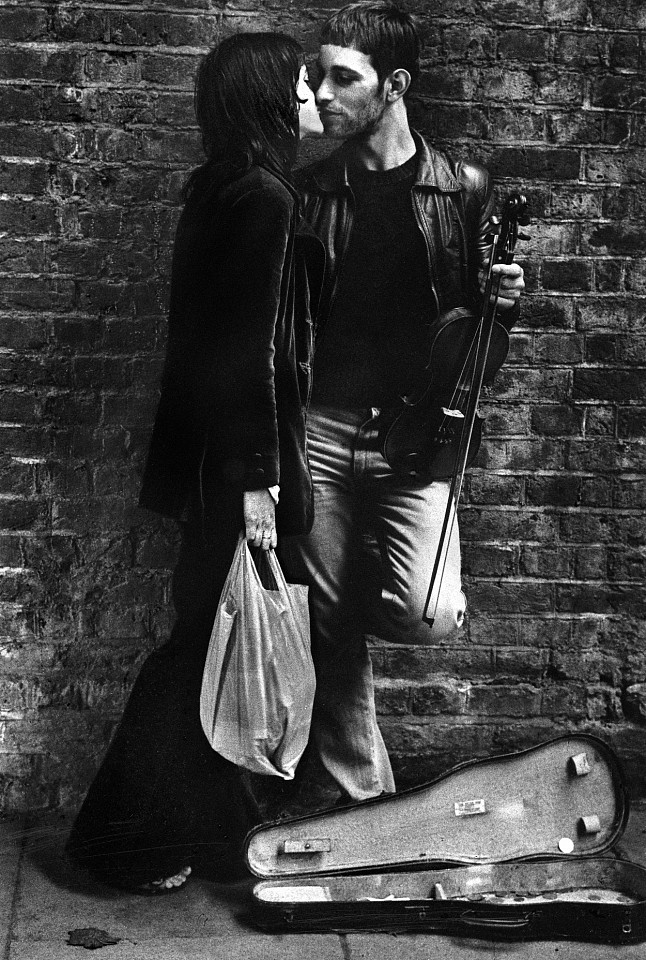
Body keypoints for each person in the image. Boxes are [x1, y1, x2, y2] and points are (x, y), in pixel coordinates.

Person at [65, 32, 324, 893]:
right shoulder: (267, 198)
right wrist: (259, 481)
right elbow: (248, 352)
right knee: (198, 653)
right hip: (237, 470)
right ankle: (118, 842)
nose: (316, 100)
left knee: (206, 643)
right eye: (301, 87)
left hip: (207, 465)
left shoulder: (217, 190)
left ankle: (204, 833)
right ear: (267, 101)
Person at [279, 2, 525, 806]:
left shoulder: (463, 190)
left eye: (344, 78)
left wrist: (504, 304)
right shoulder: (310, 187)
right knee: (322, 614)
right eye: (319, 75)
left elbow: (480, 351)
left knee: (428, 612)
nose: (324, 92)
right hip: (320, 427)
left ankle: (357, 792)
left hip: (415, 436)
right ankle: (359, 801)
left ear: (395, 85)